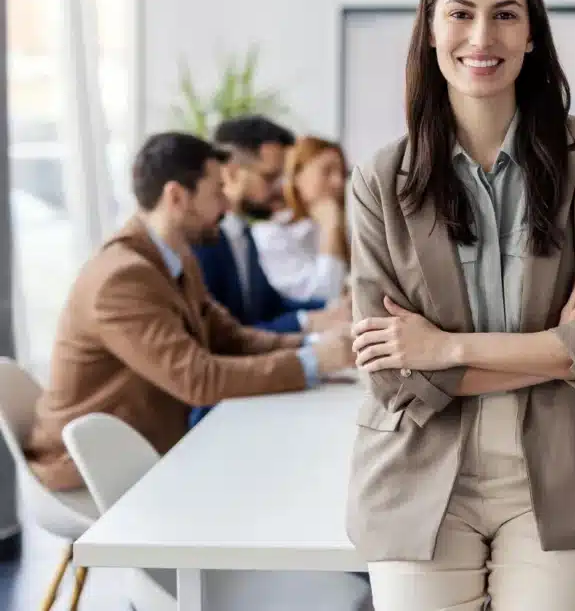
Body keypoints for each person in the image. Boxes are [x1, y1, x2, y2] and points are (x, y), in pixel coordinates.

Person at [345, 0, 575, 611]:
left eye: (506, 14)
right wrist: (562, 348)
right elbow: (394, 374)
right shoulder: (378, 179)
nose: (482, 35)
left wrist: (447, 347)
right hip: (418, 476)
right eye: (460, 12)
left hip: (565, 473)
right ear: (430, 28)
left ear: (532, 33)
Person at [24, 132, 355, 491]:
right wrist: (315, 362)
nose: (228, 207)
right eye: (216, 192)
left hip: (142, 443)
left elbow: (230, 338)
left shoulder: (175, 258)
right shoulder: (121, 278)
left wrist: (315, 344)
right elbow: (199, 380)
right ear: (177, 197)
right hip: (92, 467)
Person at [195, 116, 350, 333]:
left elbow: (271, 307)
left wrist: (330, 312)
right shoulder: (205, 241)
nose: (282, 188)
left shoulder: (243, 235)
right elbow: (228, 336)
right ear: (231, 173)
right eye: (270, 178)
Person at [251, 136, 351, 301]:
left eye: (343, 174)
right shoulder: (270, 234)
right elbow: (325, 295)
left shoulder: (345, 231)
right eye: (327, 171)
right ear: (296, 175)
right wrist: (330, 228)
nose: (338, 182)